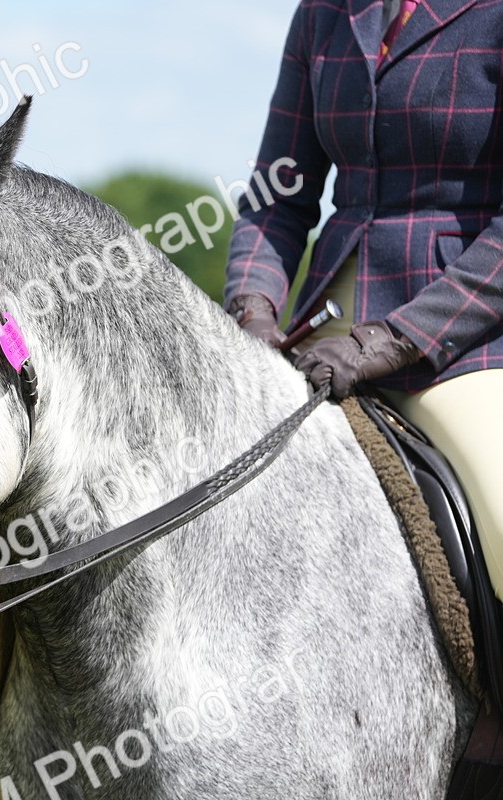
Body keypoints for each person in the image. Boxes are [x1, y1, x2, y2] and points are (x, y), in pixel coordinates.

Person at [224, 0, 503, 600]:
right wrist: (253, 310)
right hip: (326, 315)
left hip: (462, 334)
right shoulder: (323, 13)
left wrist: (391, 340)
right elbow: (278, 196)